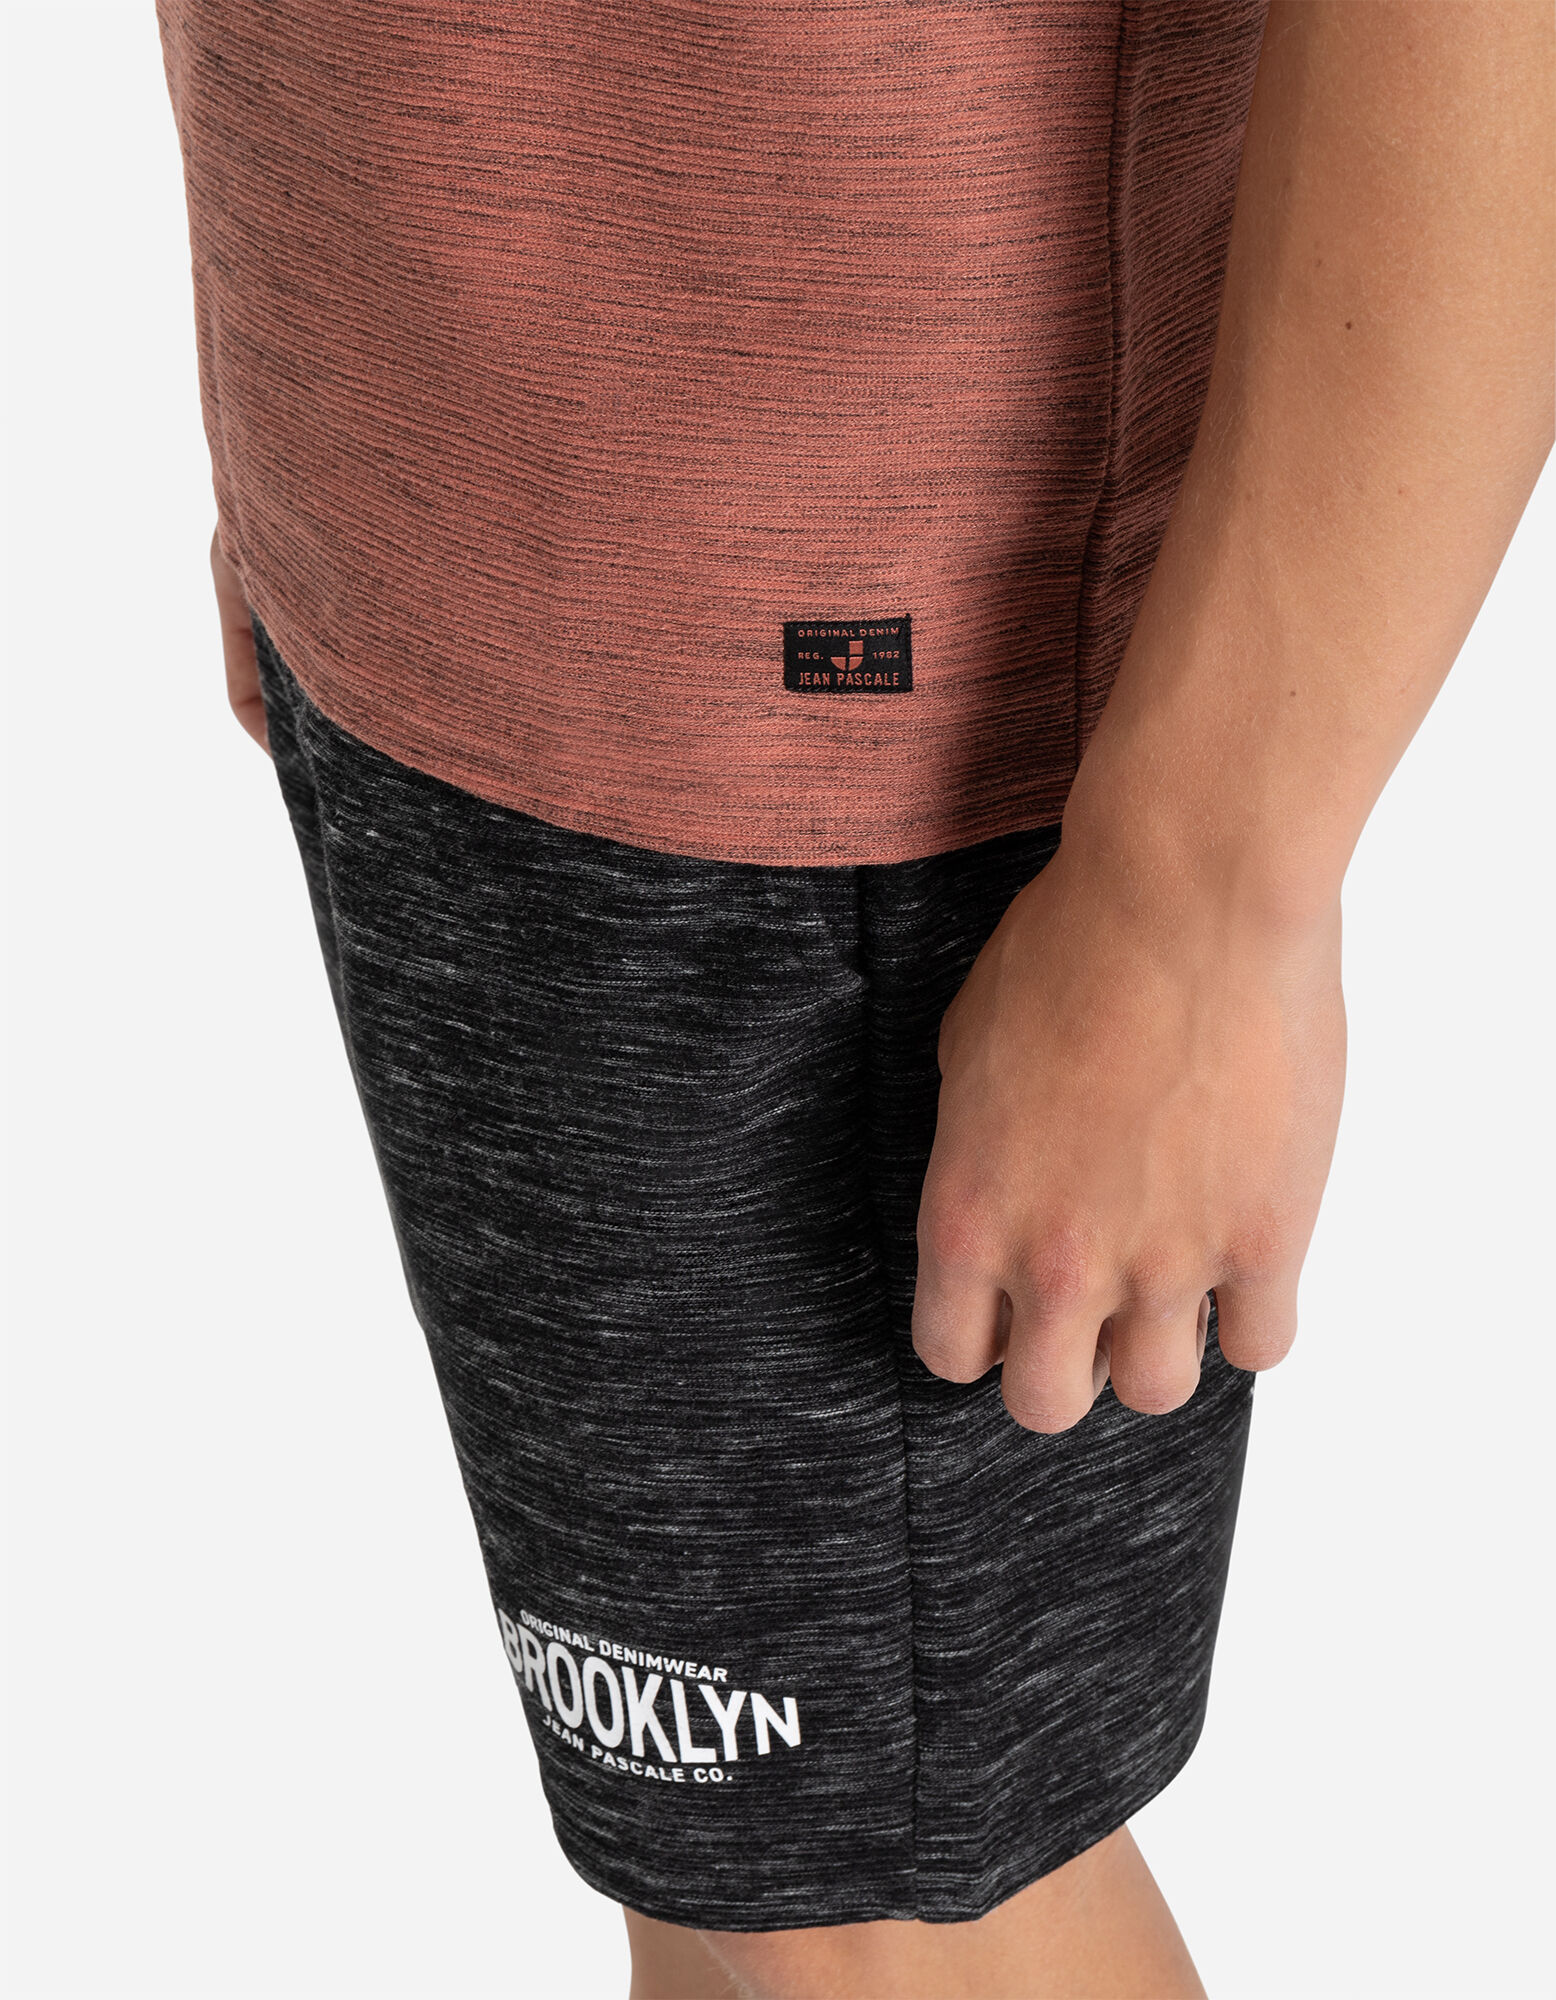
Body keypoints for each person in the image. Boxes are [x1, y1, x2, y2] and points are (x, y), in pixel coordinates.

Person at [157, 2, 1552, 1994]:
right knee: (729, 1873)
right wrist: (299, 404)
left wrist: (1200, 894)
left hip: (842, 683)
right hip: (444, 511)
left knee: (873, 1920)